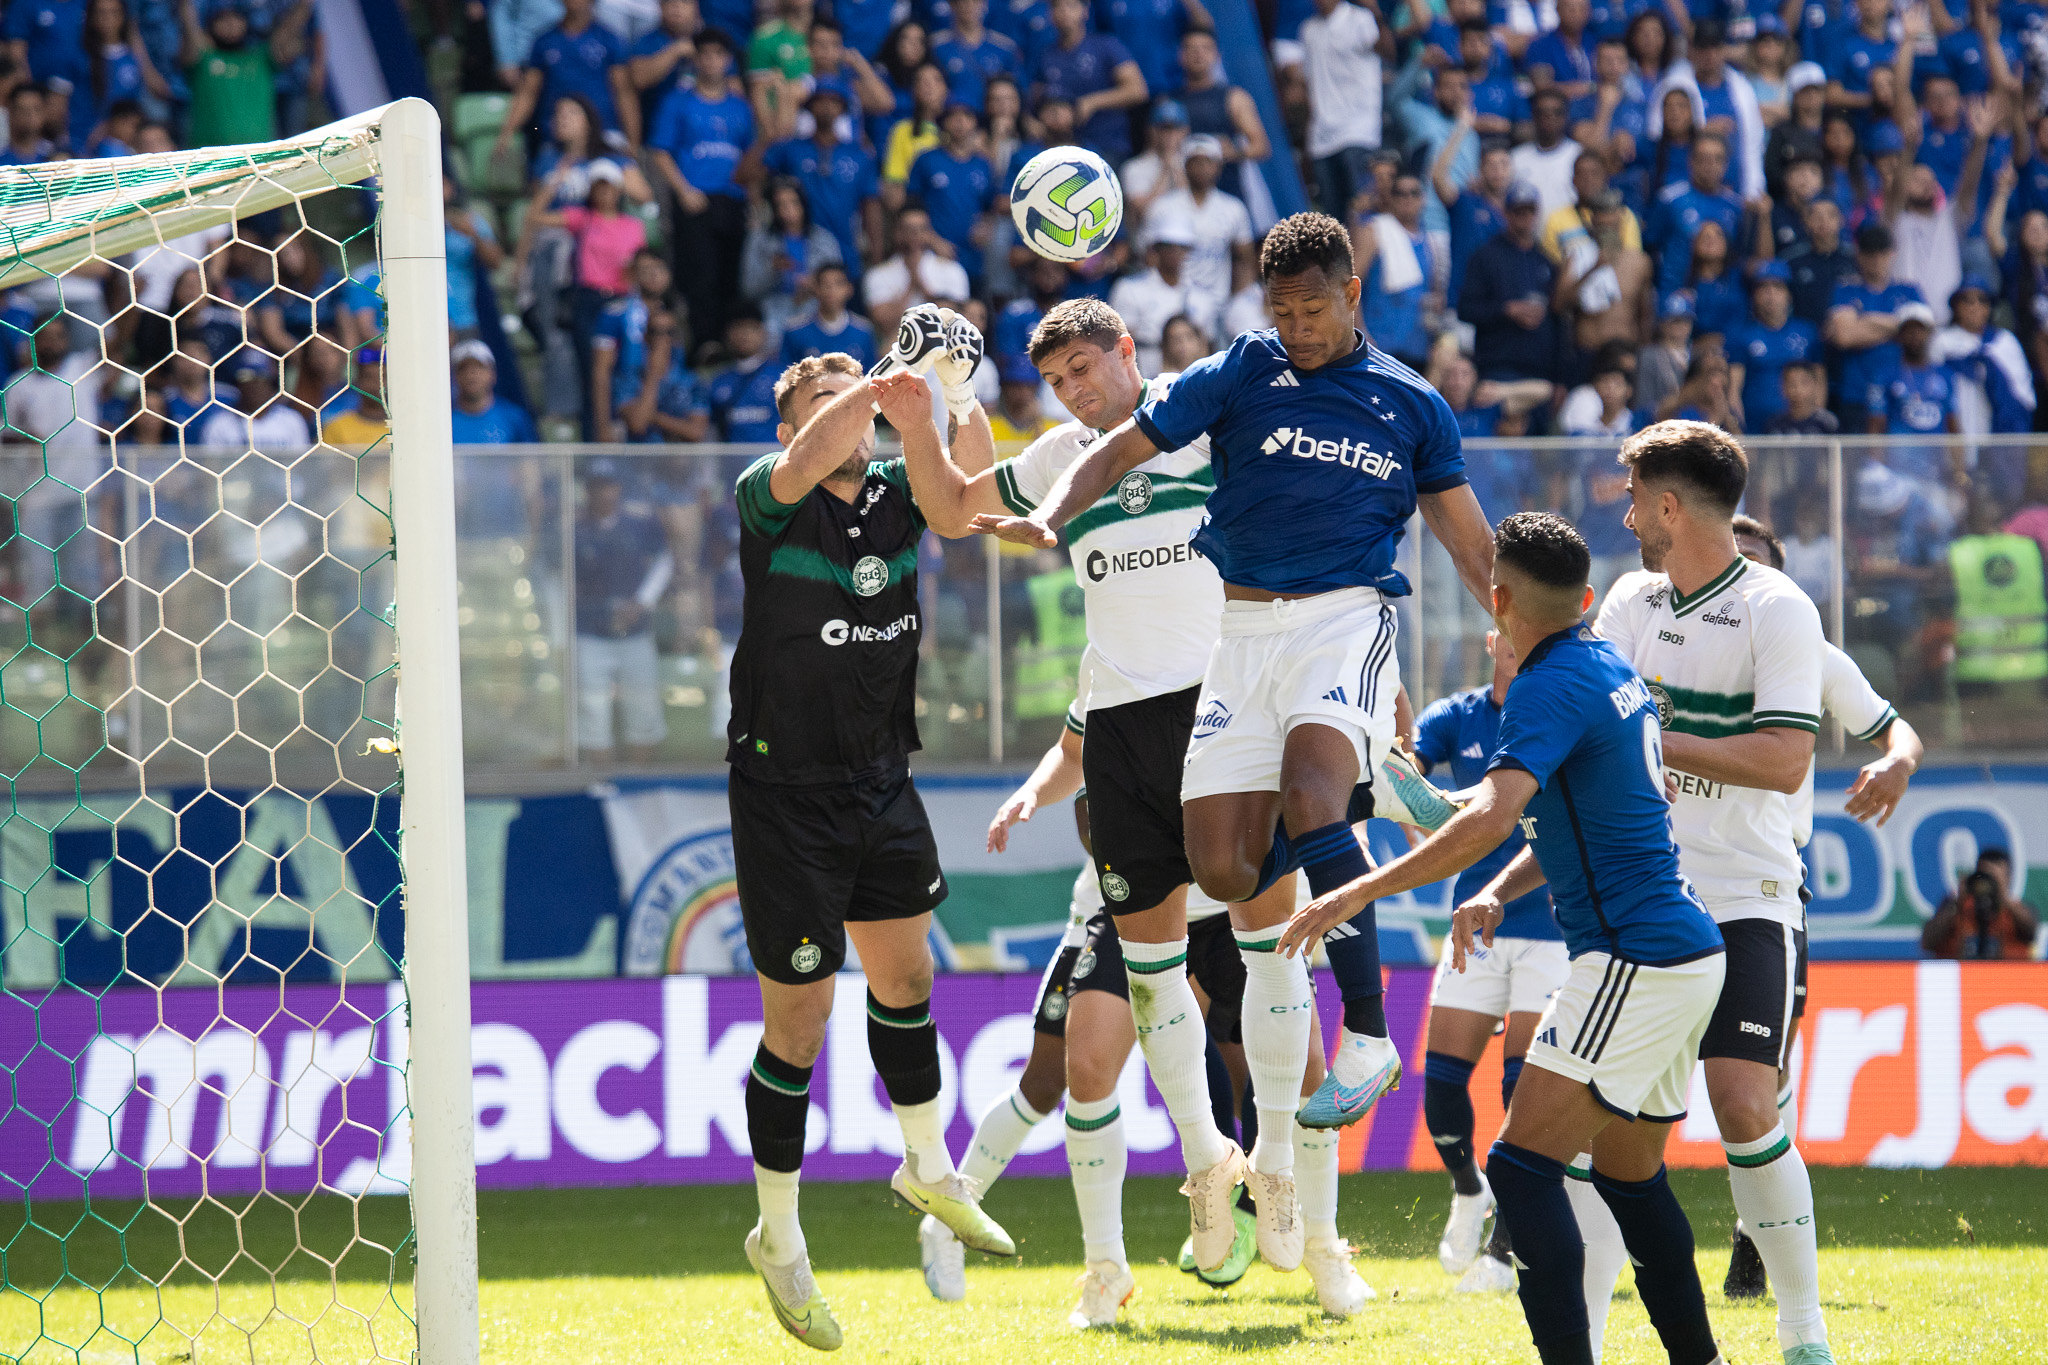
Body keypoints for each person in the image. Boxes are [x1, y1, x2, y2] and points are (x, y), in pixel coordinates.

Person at [970, 213, 1498, 1141]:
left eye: (1313, 308)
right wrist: (1051, 512)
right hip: (1240, 630)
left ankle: (1369, 1034)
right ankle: (1374, 793)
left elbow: (1467, 541)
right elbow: (1122, 446)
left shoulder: (1411, 404)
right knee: (1221, 862)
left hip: (1344, 616)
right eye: (1281, 309)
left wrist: (1529, 641)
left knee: (1308, 793)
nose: (1297, 326)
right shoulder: (1248, 367)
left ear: (1353, 295)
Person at [910, 302, 1376, 1319]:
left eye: (1087, 369)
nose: (1077, 392)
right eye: (1060, 382)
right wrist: (942, 398)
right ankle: (1208, 1165)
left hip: (1228, 709)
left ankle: (1310, 1221)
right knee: (1149, 975)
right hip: (1119, 733)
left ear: (1128, 353)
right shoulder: (1057, 460)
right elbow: (948, 509)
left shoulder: (1211, 427)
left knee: (1274, 958)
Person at [1276, 510, 1728, 1365]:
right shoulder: (1602, 664)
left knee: (1520, 1170)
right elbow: (1566, 817)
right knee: (1632, 1179)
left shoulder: (1548, 684)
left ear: (1497, 597)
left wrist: (1357, 888)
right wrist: (1478, 872)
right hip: (1683, 950)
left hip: (1633, 955)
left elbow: (1492, 813)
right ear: (1587, 598)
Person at [728, 345, 1013, 1352]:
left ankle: (926, 1169)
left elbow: (969, 503)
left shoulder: (897, 488)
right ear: (793, 421)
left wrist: (952, 390)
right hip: (783, 797)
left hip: (881, 779)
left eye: (853, 394)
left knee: (908, 980)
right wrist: (882, 379)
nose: (854, 411)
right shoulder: (768, 492)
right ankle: (778, 1234)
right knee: (796, 1031)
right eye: (824, 396)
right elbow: (815, 451)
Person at [1594, 419, 1837, 1365]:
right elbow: (1591, 719)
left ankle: (1800, 1326)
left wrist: (1654, 738)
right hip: (1647, 893)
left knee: (1743, 1106)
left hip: (1747, 891)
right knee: (1611, 1125)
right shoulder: (1627, 601)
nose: (1623, 518)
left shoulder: (1779, 609)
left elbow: (1784, 758)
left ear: (1670, 505)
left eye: (1632, 499)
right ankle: (1595, 1333)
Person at [1410, 629, 1569, 1296]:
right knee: (1441, 1087)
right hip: (1472, 924)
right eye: (1507, 635)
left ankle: (1506, 1247)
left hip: (1551, 929)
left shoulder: (1560, 707)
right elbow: (1408, 766)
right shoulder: (1457, 714)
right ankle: (1468, 1188)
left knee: (1521, 1092)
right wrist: (1408, 793)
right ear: (1490, 639)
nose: (1517, 645)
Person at [649, 28, 754, 347]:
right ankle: (705, 343)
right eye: (704, 54)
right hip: (695, 198)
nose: (711, 61)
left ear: (727, 61)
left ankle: (731, 341)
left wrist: (752, 199)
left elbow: (751, 157)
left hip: (732, 199)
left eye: (718, 54)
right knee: (699, 274)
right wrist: (683, 191)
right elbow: (661, 151)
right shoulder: (677, 102)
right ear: (695, 60)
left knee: (730, 273)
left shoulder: (739, 107)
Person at [574, 461, 671, 763]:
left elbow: (665, 560)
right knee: (592, 711)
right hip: (589, 633)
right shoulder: (576, 530)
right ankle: (599, 785)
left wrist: (642, 601)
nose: (604, 493)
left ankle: (640, 784)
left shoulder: (639, 525)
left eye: (610, 485)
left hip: (635, 632)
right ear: (587, 490)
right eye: (597, 486)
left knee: (643, 708)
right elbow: (556, 577)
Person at [755, 86, 883, 284]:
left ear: (843, 109)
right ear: (810, 107)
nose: (827, 107)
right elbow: (750, 176)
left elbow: (871, 208)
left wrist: (877, 256)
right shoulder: (791, 149)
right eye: (820, 101)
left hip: (846, 252)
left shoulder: (860, 155)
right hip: (798, 254)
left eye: (834, 102)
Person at [492, 0, 639, 154]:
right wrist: (506, 134)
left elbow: (624, 93)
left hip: (603, 136)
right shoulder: (545, 42)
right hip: (556, 139)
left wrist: (633, 143)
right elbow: (528, 92)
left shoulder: (609, 41)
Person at [1143, 135, 1254, 323]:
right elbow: (1149, 257)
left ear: (1218, 167)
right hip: (1171, 305)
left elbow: (1245, 260)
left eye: (1208, 162)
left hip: (1220, 307)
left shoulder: (1233, 208)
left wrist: (1235, 301)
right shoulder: (1163, 206)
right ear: (1185, 165)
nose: (1202, 168)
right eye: (1195, 162)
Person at [1826, 221, 1925, 429]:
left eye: (1882, 253)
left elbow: (1919, 334)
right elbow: (1844, 336)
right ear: (1859, 256)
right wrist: (1898, 327)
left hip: (1900, 393)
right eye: (1870, 254)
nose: (1877, 260)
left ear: (1892, 254)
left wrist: (1866, 320)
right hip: (1856, 394)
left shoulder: (1909, 291)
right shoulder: (1846, 290)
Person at [1462, 182, 1563, 383]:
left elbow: (1556, 319)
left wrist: (1559, 376)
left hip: (1540, 369)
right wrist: (1506, 310)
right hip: (1498, 366)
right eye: (1519, 212)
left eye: (1530, 211)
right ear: (1507, 214)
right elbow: (1466, 309)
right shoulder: (1486, 255)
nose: (1526, 218)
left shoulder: (1545, 260)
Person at [1299, 0, 1391, 217]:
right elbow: (1308, 82)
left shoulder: (1361, 18)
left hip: (1358, 128)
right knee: (1332, 219)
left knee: (1362, 209)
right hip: (1321, 136)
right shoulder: (1308, 30)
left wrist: (1376, 14)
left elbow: (1388, 52)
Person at [177, 0, 310, 146]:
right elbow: (189, 26)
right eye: (222, 19)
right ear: (210, 25)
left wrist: (305, 4)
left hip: (259, 158)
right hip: (209, 160)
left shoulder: (262, 59)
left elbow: (290, 29)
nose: (231, 24)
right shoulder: (202, 59)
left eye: (236, 18)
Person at [1032, 0, 1147, 165]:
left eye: (1071, 6)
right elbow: (1036, 99)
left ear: (1085, 11)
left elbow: (1137, 90)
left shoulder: (1106, 45)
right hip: (1060, 146)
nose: (1063, 11)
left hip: (1106, 145)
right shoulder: (1045, 55)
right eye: (1057, 6)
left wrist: (1091, 102)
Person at [1175, 25, 1272, 204]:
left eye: (1205, 48)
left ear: (1217, 55)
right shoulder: (1171, 101)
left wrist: (1231, 151)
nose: (1198, 54)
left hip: (1228, 195)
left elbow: (1261, 146)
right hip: (1184, 198)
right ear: (1181, 55)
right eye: (1192, 49)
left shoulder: (1233, 97)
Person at [905, 103, 999, 283]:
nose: (960, 122)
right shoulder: (927, 160)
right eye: (953, 116)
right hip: (932, 256)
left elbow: (990, 207)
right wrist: (933, 240)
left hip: (973, 258)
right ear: (943, 123)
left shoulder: (983, 165)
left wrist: (985, 227)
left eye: (967, 116)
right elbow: (911, 208)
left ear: (975, 123)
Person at [1109, 221, 1216, 375]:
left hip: (1192, 373)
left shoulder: (1201, 296)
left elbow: (1207, 344)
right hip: (1144, 367)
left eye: (1181, 247)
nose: (1175, 253)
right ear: (1156, 250)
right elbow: (1120, 343)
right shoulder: (1130, 288)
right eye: (1168, 247)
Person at [1355, 171, 1435, 371]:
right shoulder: (1375, 230)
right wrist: (1358, 332)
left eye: (1414, 193)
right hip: (1379, 346)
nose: (1407, 199)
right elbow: (1349, 284)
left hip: (1416, 348)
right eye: (1400, 193)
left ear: (1423, 198)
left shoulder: (1428, 240)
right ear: (1391, 198)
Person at [1728, 261, 1819, 428]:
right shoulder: (1742, 335)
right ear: (1754, 295)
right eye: (1763, 287)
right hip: (1756, 429)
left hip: (1801, 429)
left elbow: (1819, 381)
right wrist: (1740, 429)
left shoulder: (1807, 332)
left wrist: (1815, 424)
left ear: (1788, 294)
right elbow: (1734, 391)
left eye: (1777, 287)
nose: (1770, 294)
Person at [863, 204, 971, 340]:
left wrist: (921, 283)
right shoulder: (878, 274)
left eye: (921, 229)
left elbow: (956, 323)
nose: (915, 235)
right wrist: (910, 285)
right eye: (909, 229)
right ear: (897, 232)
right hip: (899, 348)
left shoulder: (952, 270)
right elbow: (884, 322)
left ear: (929, 233)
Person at [1921, 849, 2039, 959]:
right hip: (1963, 975)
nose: (1989, 881)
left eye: (1995, 877)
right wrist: (1957, 901)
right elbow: (1927, 942)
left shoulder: (2019, 910)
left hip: (2007, 977)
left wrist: (2003, 897)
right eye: (1984, 875)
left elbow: (2031, 931)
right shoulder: (1955, 906)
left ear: (2008, 877)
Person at [781, 261, 878, 368]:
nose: (832, 290)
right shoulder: (795, 331)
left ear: (849, 289)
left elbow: (870, 374)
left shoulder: (863, 331)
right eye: (826, 284)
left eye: (838, 284)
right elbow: (786, 376)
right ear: (816, 288)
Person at [932, 0, 1023, 111]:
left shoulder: (1004, 47)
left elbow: (1016, 88)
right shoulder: (936, 46)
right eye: (963, 2)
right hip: (951, 117)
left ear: (984, 4)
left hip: (991, 117)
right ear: (953, 6)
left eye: (975, 2)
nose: (969, 6)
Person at [1513, 89, 1584, 225]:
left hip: (1570, 238)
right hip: (1529, 241)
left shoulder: (1579, 155)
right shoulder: (1516, 158)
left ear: (1565, 116)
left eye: (1556, 112)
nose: (1549, 117)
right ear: (1533, 116)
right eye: (1542, 112)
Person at [449, 341, 542, 445]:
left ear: (492, 374)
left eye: (479, 367)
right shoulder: (445, 419)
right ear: (454, 376)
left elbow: (530, 459)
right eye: (463, 368)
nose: (471, 374)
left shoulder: (514, 418)